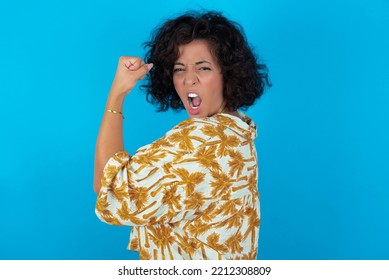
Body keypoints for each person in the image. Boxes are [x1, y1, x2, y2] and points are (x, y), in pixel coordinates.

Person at [94, 10, 271, 260]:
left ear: (228, 74)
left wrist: (117, 93)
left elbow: (107, 186)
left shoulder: (199, 141)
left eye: (204, 68)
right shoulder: (239, 130)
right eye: (179, 69)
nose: (189, 80)